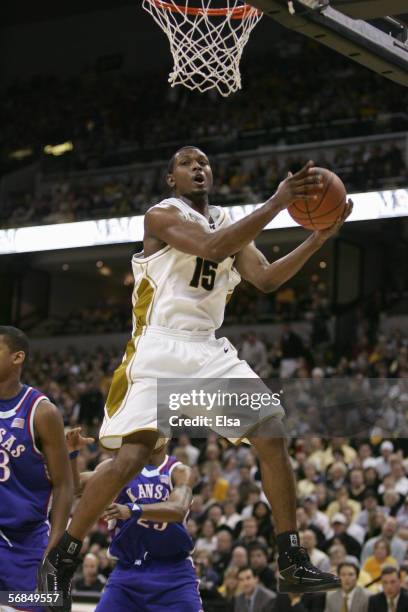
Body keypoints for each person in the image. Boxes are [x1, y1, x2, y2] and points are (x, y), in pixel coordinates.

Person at [40, 146, 352, 602]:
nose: (198, 167)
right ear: (172, 179)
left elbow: (264, 278)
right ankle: (63, 558)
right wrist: (277, 203)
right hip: (157, 346)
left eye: (205, 162)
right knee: (130, 458)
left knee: (272, 431)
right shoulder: (160, 215)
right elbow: (209, 248)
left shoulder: (227, 221)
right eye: (187, 163)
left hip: (207, 349)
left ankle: (290, 558)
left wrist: (319, 237)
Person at [0, 326, 74, 612]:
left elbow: (65, 484)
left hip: (25, 542)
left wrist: (54, 547)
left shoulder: (41, 411)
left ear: (17, 357)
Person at [81, 444, 203, 611]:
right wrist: (70, 453)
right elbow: (73, 485)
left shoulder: (179, 471)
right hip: (128, 572)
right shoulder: (116, 469)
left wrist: (132, 510)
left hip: (173, 572)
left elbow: (178, 509)